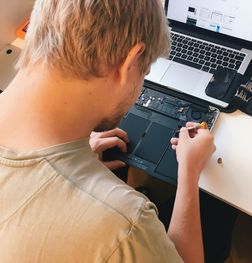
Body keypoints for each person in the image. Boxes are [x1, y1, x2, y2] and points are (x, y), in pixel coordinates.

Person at [0, 0, 215, 262]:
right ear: (130, 62)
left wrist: (72, 160)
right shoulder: (124, 225)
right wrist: (189, 173)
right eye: (145, 71)